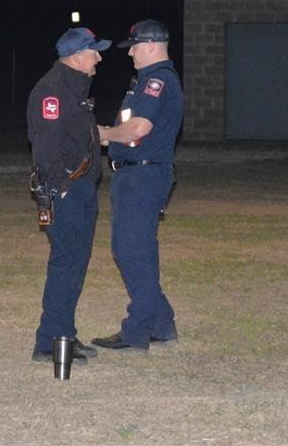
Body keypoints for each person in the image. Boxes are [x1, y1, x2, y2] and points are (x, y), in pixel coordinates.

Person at [93, 19, 182, 351]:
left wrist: (101, 134)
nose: (130, 55)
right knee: (136, 250)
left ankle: (137, 331)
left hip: (142, 175)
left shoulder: (156, 82)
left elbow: (137, 130)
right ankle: (161, 324)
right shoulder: (147, 80)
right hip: (138, 174)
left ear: (150, 46)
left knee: (131, 251)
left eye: (132, 48)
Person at [26, 27, 111, 364]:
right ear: (77, 56)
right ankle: (48, 344)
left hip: (80, 189)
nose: (99, 58)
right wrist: (63, 187)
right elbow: (46, 149)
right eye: (94, 52)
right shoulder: (53, 90)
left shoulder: (74, 88)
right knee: (66, 264)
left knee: (74, 266)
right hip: (67, 191)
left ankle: (63, 334)